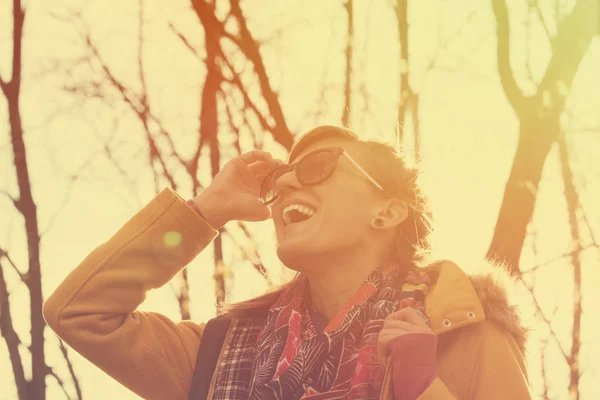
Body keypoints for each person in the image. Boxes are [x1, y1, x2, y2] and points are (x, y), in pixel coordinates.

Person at [43, 126, 531, 399]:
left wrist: (421, 390)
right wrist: (204, 211)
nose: (287, 187)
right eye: (278, 181)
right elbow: (80, 311)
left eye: (318, 168)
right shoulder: (213, 357)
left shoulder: (464, 334)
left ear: (387, 210)